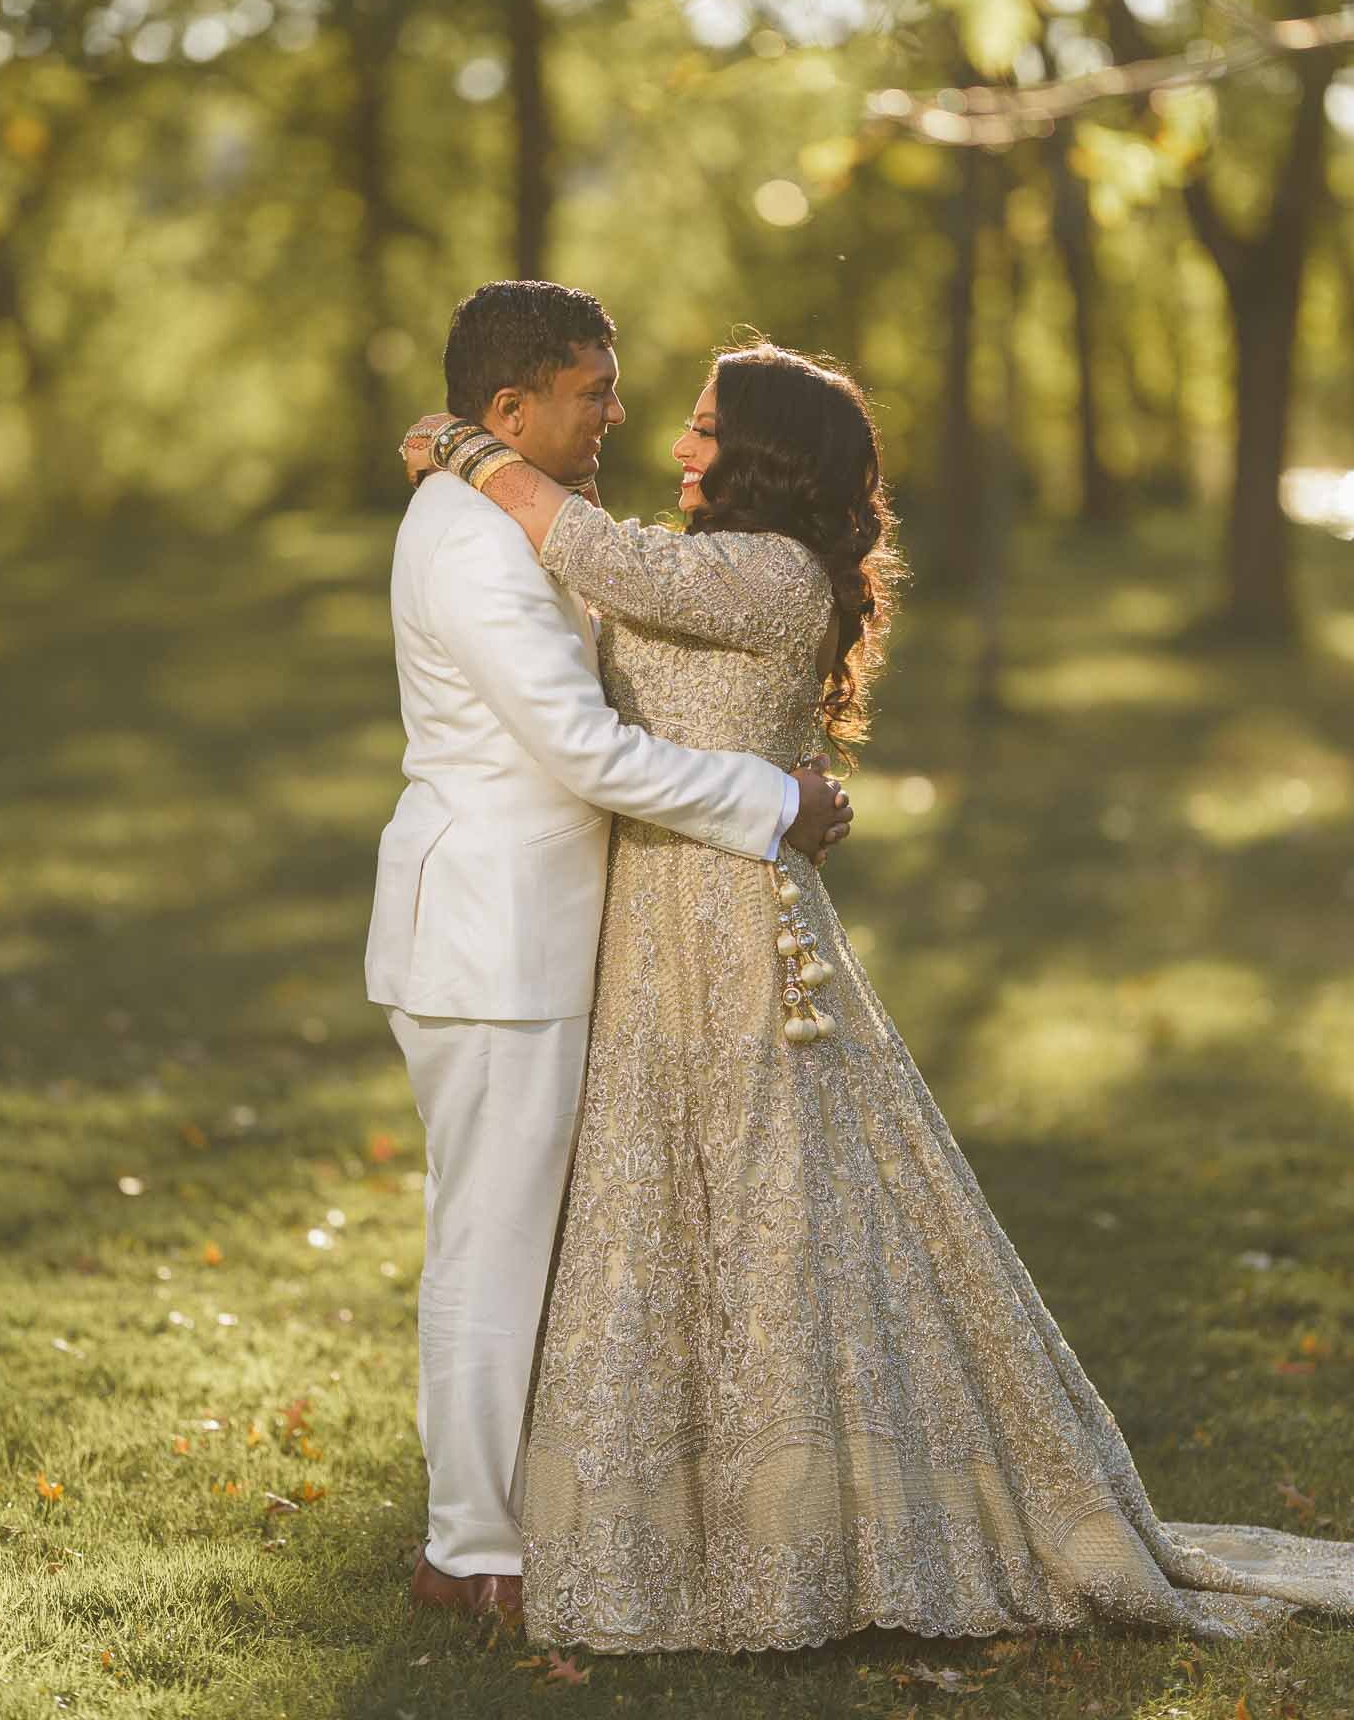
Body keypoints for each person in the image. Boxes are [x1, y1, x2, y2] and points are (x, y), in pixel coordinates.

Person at [411, 340, 1354, 1653]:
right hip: (652, 923)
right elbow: (602, 582)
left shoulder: (770, 572)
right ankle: (670, 1525)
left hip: (735, 937)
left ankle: (805, 1544)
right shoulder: (722, 561)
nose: (673, 449)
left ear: (764, 462)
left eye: (700, 431)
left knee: (774, 1208)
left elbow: (605, 558)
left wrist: (467, 445)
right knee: (660, 1204)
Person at [366, 282, 853, 1624]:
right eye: (594, 388)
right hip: (491, 939)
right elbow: (582, 751)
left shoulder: (507, 513)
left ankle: (522, 1525)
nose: (619, 412)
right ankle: (469, 1557)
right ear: (515, 408)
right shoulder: (468, 542)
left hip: (543, 935)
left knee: (526, 1244)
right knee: (492, 1245)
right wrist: (775, 804)